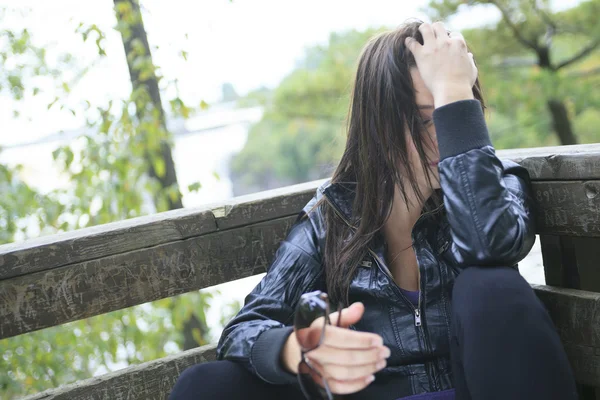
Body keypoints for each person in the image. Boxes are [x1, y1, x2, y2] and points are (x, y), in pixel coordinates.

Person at [169, 20, 578, 400]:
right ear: (380, 128)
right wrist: (298, 349)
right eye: (424, 120)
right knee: (205, 385)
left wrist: (455, 92)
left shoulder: (499, 184)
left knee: (490, 288)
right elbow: (243, 330)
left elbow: (489, 245)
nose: (444, 137)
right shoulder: (334, 217)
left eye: (454, 114)